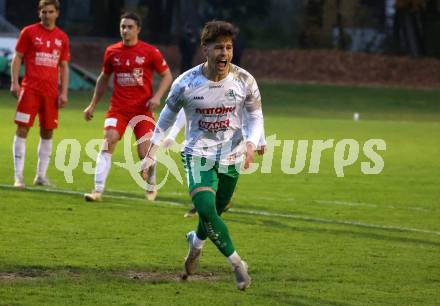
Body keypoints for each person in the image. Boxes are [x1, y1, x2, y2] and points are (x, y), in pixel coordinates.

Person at [142, 20, 264, 290]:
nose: (225, 53)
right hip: (197, 154)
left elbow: (255, 116)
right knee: (207, 209)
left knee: (214, 213)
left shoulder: (244, 80)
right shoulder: (186, 83)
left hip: (231, 155)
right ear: (204, 49)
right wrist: (151, 152)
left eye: (229, 47)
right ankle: (237, 265)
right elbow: (165, 119)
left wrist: (253, 143)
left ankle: (195, 244)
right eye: (218, 47)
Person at [83, 12, 172, 202]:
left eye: (130, 27)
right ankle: (97, 191)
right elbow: (103, 79)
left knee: (144, 153)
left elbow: (167, 76)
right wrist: (92, 105)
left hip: (142, 110)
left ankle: (151, 183)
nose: (125, 30)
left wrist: (157, 97)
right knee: (109, 139)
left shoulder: (150, 52)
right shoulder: (112, 52)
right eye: (123, 26)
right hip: (118, 109)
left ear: (138, 29)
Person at [162, 108, 267, 218]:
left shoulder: (239, 92)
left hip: (230, 139)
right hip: (203, 139)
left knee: (220, 177)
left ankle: (215, 205)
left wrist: (260, 140)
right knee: (203, 176)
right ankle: (207, 207)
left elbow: (254, 112)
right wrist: (172, 135)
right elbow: (185, 107)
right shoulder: (195, 92)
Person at [11, 0, 70, 188]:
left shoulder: (62, 37)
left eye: (50, 12)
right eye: (43, 12)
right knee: (22, 129)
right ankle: (18, 177)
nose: (47, 15)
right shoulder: (28, 32)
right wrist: (15, 82)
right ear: (39, 13)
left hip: (51, 93)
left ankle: (41, 176)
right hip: (29, 90)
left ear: (57, 14)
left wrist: (64, 92)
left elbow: (64, 66)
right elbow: (18, 57)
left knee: (47, 132)